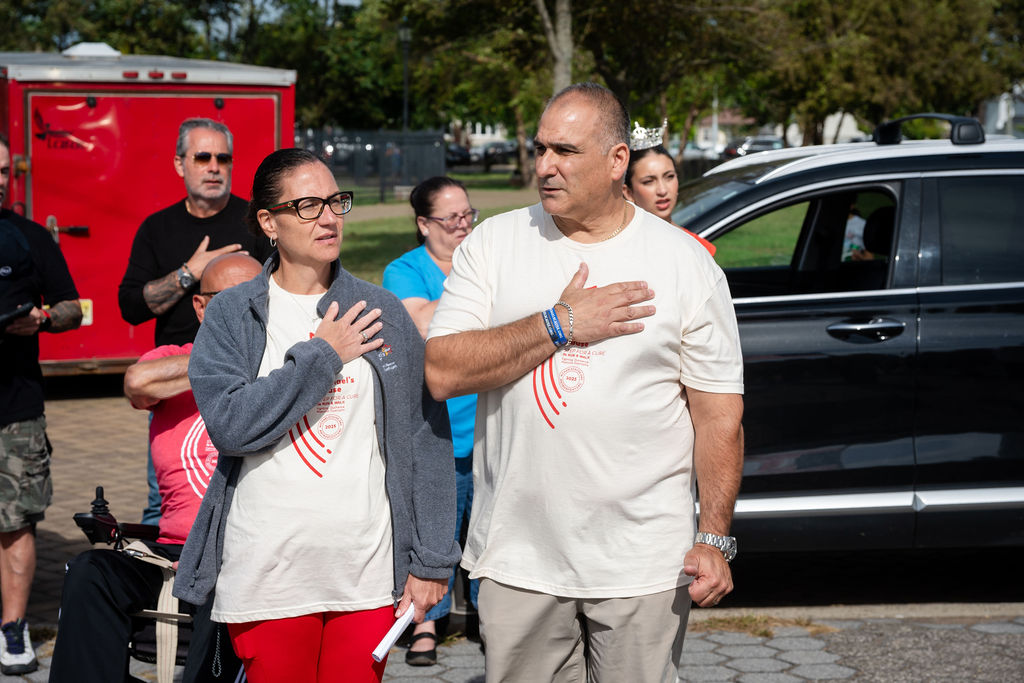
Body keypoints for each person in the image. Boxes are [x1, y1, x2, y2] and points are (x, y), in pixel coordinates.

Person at [424, 83, 745, 683]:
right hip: (519, 558)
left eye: (565, 151)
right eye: (540, 148)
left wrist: (714, 538)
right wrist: (559, 324)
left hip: (643, 562)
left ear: (618, 159)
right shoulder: (495, 243)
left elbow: (718, 415)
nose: (545, 166)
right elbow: (442, 371)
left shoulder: (685, 262)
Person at [173, 148, 459, 683]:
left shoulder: (380, 311)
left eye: (335, 202)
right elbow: (231, 426)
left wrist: (432, 560)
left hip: (367, 571)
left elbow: (425, 437)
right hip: (267, 573)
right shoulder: (233, 313)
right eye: (307, 206)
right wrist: (323, 355)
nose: (328, 218)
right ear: (269, 222)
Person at [48, 253, 260, 683]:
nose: (245, 311)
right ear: (201, 307)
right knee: (90, 572)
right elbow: (137, 382)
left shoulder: (286, 367)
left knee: (225, 581)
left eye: (256, 299)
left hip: (246, 555)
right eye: (229, 300)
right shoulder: (174, 358)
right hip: (171, 553)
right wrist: (224, 359)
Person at [117, 117, 274, 525]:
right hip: (178, 386)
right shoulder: (158, 228)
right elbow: (131, 305)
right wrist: (189, 272)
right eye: (203, 157)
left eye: (224, 158)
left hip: (248, 381)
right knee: (165, 503)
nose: (214, 167)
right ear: (179, 164)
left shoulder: (256, 223)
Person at [382, 177, 479, 666]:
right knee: (435, 525)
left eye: (468, 215)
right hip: (436, 423)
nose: (463, 226)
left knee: (485, 525)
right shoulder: (404, 270)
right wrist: (476, 284)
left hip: (488, 423)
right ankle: (424, 623)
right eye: (451, 218)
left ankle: (484, 616)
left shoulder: (480, 260)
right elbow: (421, 322)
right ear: (424, 224)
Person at [0, 133, 83, 675]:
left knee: (16, 523)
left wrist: (43, 320)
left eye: (3, 170)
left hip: (15, 409)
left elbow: (74, 307)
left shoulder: (28, 236)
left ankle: (13, 629)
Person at [623, 119, 716, 256]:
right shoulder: (618, 248)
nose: (662, 190)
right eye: (649, 181)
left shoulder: (698, 248)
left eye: (669, 177)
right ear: (628, 192)